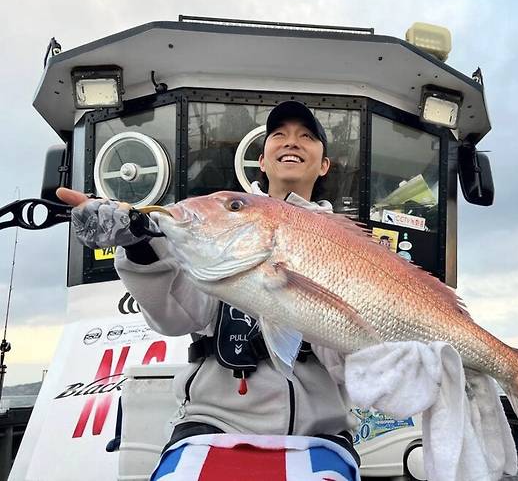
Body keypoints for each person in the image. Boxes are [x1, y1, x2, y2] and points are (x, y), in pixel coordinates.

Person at [57, 101, 359, 479]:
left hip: (320, 434)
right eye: (278, 135)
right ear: (261, 161)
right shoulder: (219, 228)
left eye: (306, 136)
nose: (291, 143)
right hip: (212, 427)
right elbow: (176, 317)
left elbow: (351, 364)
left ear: (324, 164)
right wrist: (136, 243)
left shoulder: (350, 247)